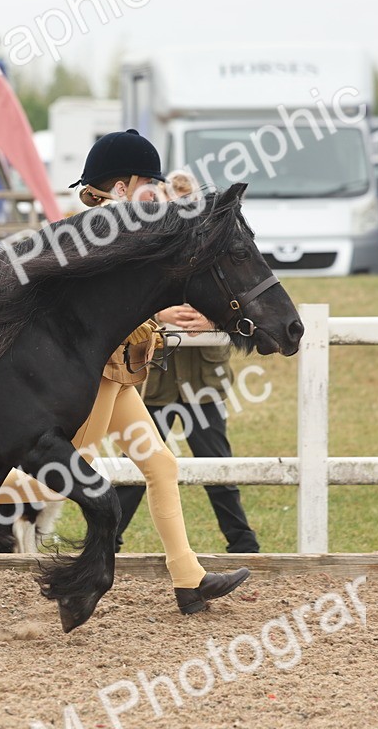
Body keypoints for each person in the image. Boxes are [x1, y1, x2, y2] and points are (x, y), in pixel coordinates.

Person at [0, 129, 250, 615]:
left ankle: (188, 578)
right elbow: (104, 308)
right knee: (58, 481)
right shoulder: (100, 234)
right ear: (123, 183)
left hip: (122, 372)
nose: (152, 190)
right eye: (146, 181)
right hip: (97, 373)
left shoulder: (127, 228)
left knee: (160, 464)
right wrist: (159, 315)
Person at [136, 171, 261, 554]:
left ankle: (243, 544)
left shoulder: (217, 247)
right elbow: (131, 301)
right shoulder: (150, 247)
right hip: (157, 380)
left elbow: (241, 293)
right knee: (138, 467)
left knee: (217, 467)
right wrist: (162, 315)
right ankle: (111, 542)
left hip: (203, 383)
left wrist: (212, 319)